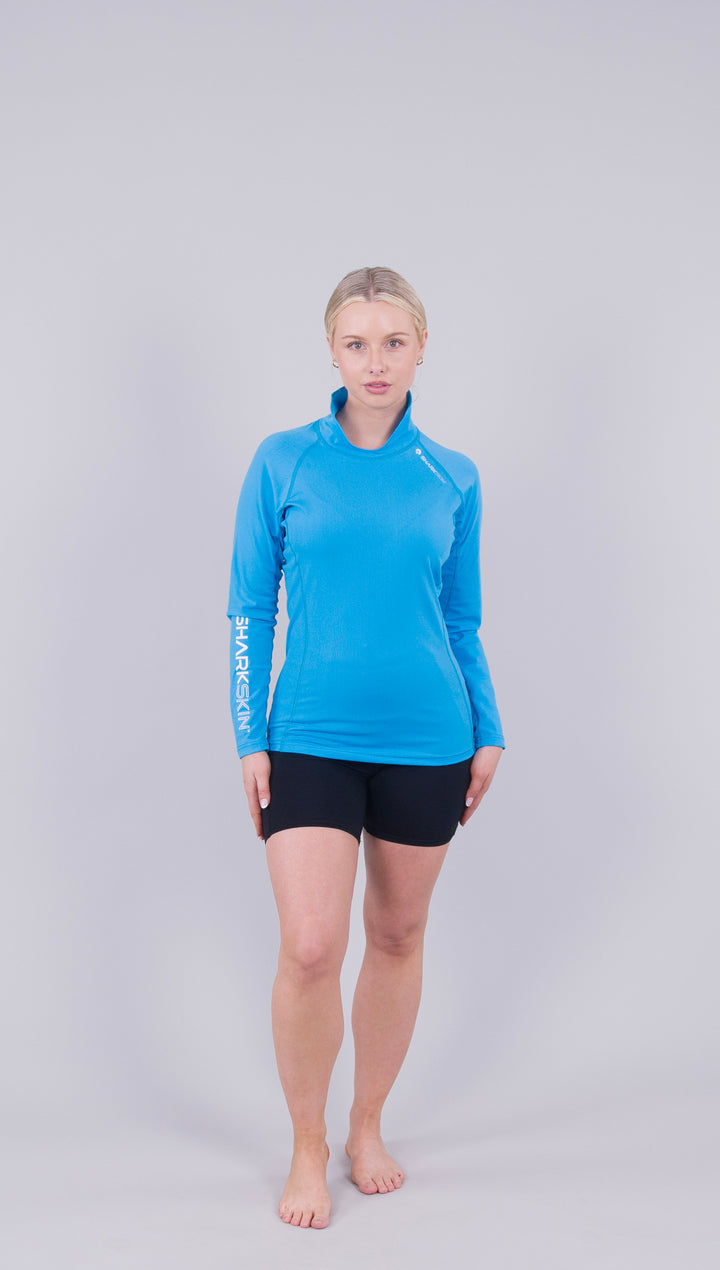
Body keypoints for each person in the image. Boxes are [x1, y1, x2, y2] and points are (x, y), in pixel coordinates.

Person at [226, 266, 505, 1229]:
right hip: (309, 734)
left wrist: (489, 727)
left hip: (430, 737)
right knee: (310, 946)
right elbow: (249, 609)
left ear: (422, 348)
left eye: (394, 342)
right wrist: (249, 736)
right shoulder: (284, 462)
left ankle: (366, 1126)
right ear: (332, 351)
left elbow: (461, 620)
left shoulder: (452, 476)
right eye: (357, 343)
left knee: (395, 936)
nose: (375, 361)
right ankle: (306, 1145)